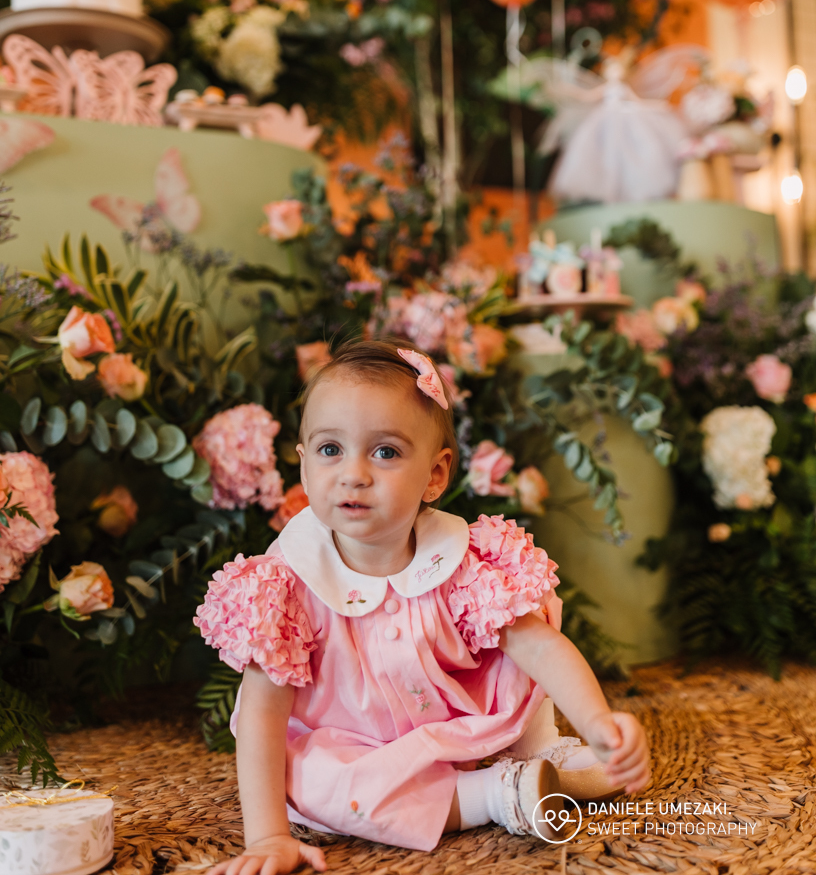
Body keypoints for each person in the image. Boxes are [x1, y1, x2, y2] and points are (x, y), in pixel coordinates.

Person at [197, 340, 650, 875]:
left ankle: (540, 749)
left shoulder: (459, 561)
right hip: (358, 748)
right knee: (308, 782)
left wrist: (597, 718)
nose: (354, 473)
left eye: (384, 452)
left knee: (517, 633)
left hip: (464, 724)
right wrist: (268, 836)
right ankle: (495, 793)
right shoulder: (289, 581)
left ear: (435, 475)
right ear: (302, 464)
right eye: (329, 450)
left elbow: (539, 647)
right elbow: (261, 715)